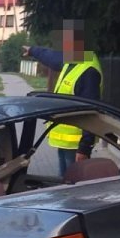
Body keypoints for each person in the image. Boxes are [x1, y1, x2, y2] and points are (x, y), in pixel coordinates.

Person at [21, 19, 103, 177]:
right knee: (64, 183)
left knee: (74, 186)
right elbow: (51, 56)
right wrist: (33, 51)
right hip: (65, 142)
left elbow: (91, 111)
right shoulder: (74, 61)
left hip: (76, 145)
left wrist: (85, 147)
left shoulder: (88, 71)